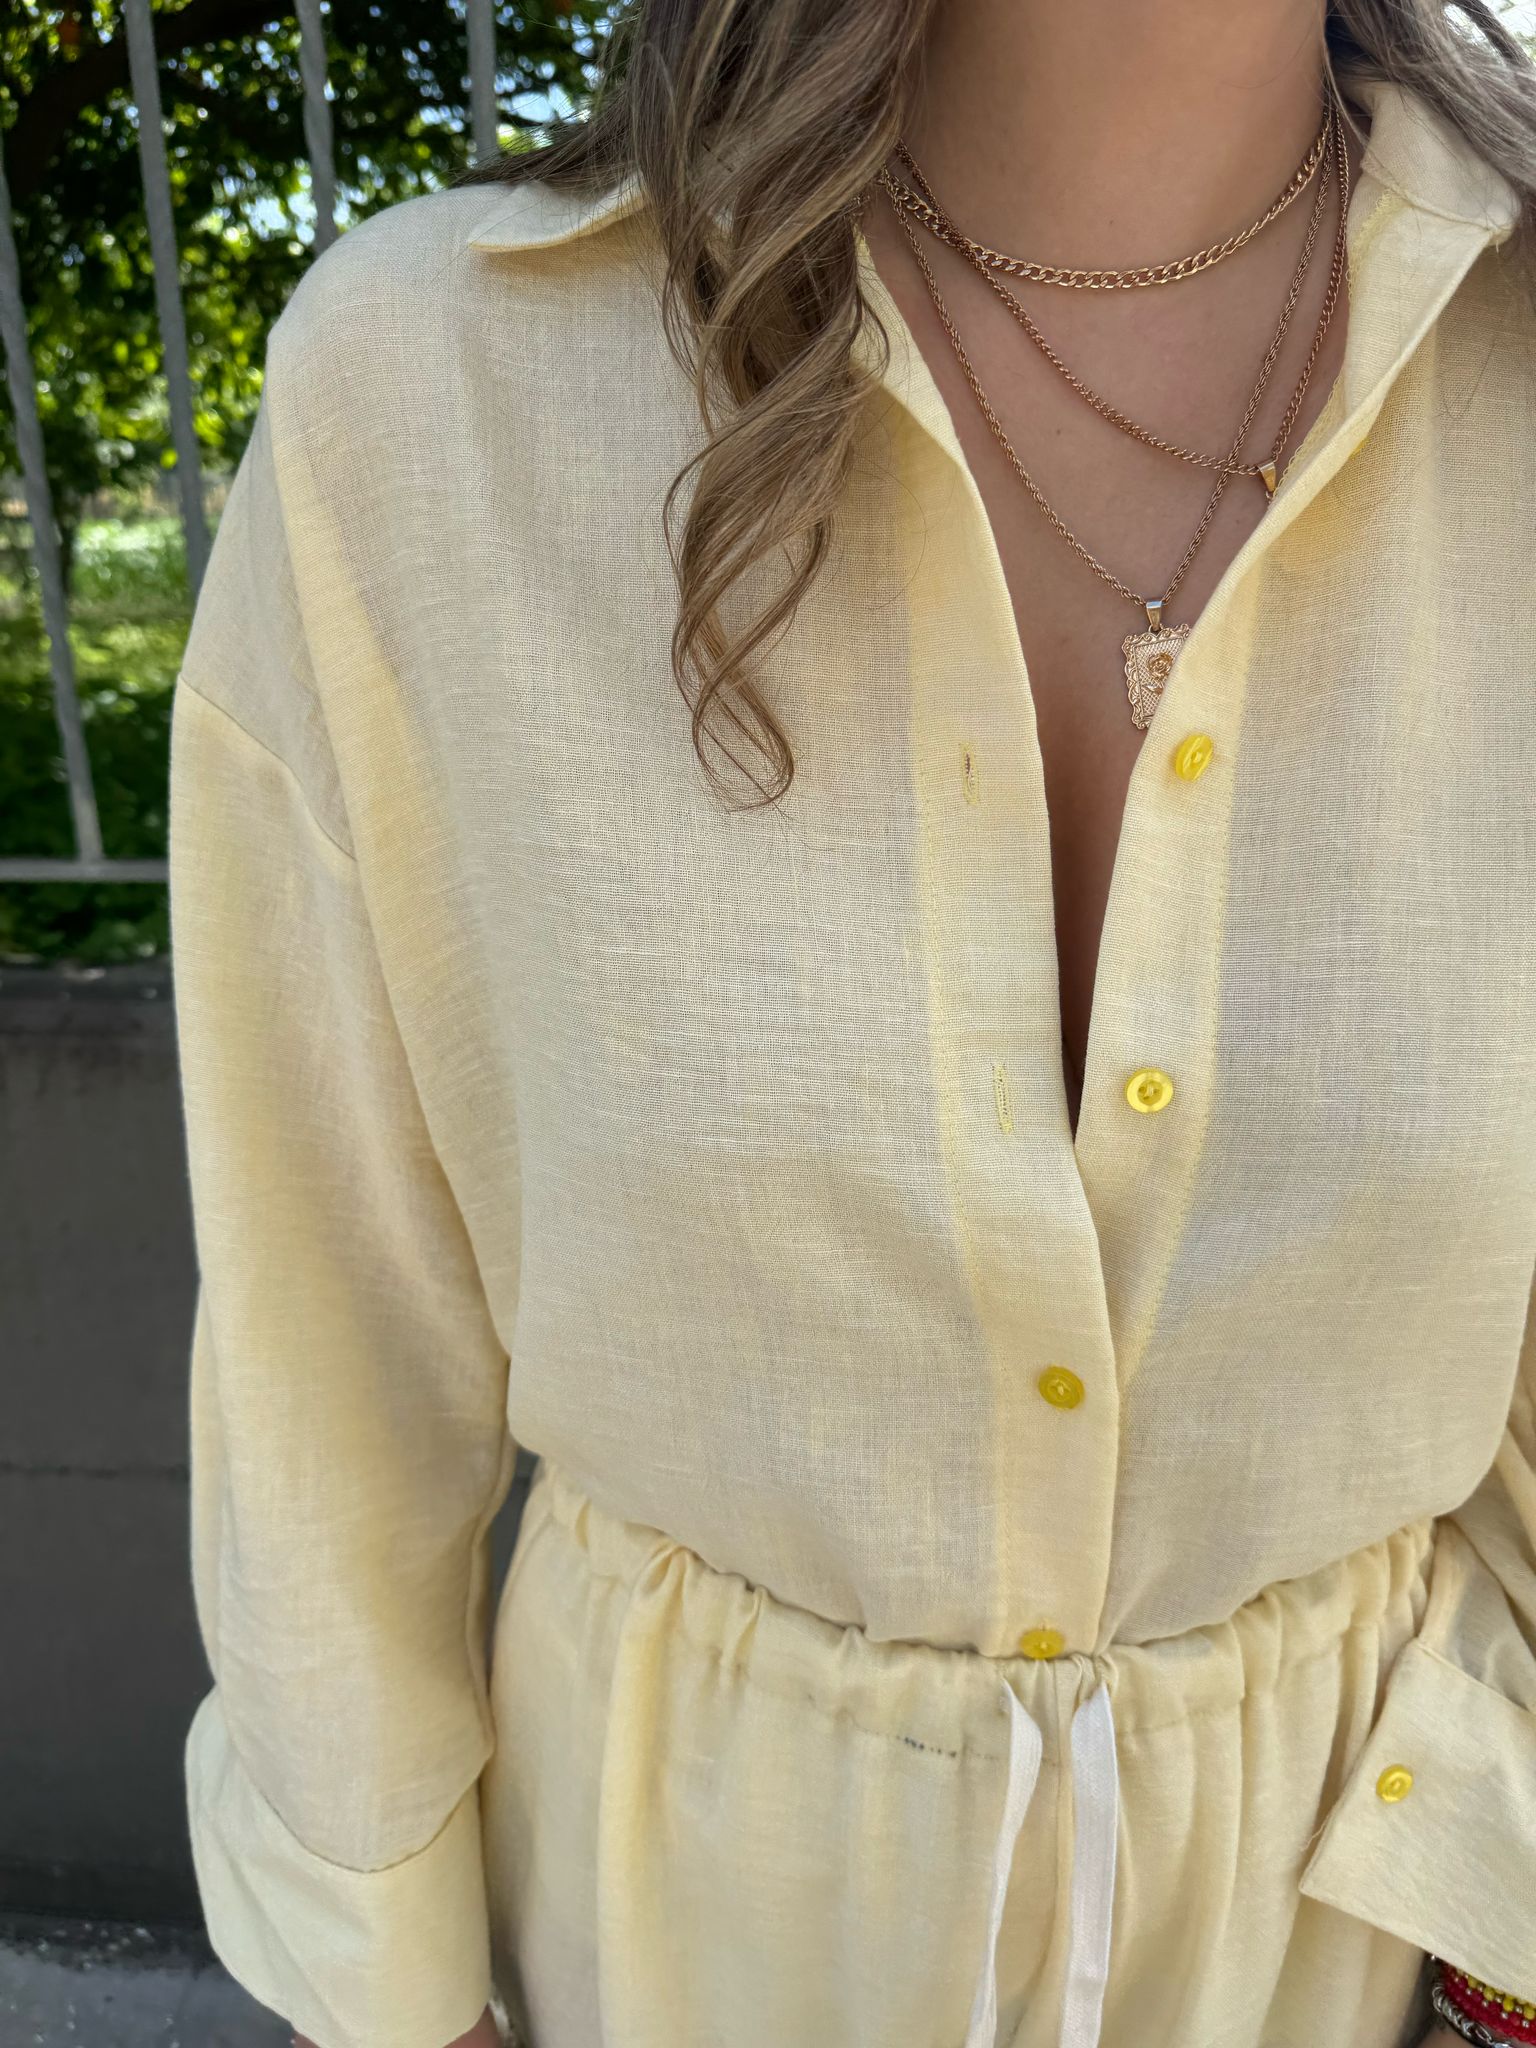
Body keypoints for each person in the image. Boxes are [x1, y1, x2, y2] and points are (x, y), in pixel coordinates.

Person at [164, 1, 1536, 2045]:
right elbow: (324, 1340)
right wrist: (396, 2000)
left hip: (1357, 1943)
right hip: (652, 1942)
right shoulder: (429, 395)